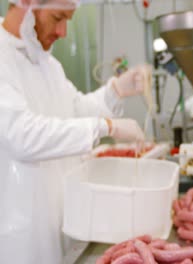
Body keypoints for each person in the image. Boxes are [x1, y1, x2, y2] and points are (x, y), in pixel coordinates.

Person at [0, 0, 151, 263]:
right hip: (20, 232)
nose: (63, 32)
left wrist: (115, 91)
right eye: (58, 17)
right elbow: (20, 134)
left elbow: (74, 110)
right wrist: (106, 126)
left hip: (56, 219)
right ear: (25, 6)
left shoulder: (46, 63)